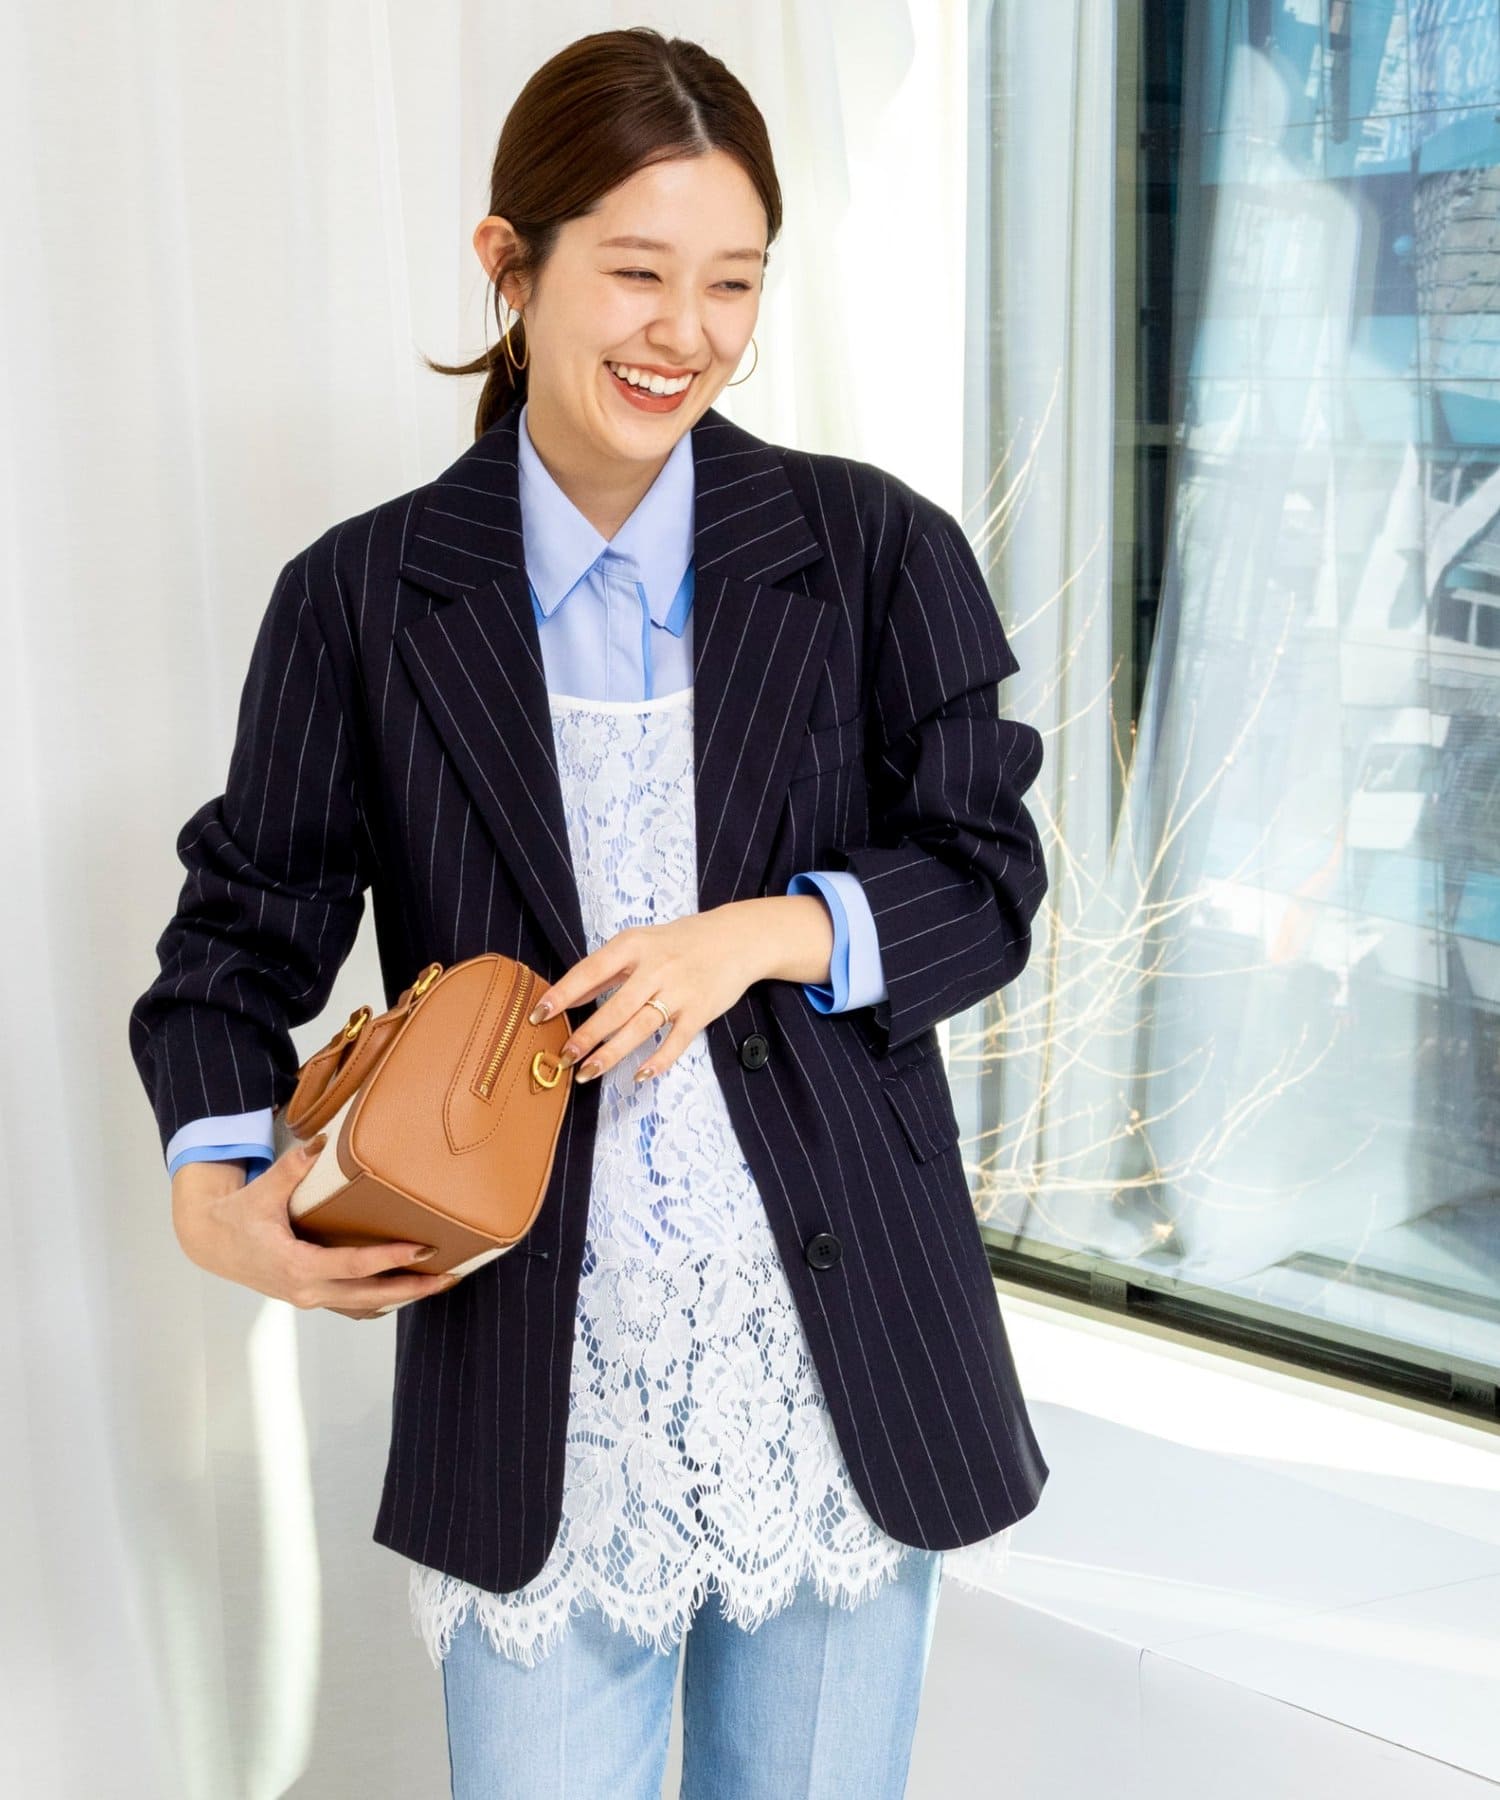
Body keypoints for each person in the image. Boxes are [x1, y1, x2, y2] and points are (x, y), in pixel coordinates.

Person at [128, 26, 1051, 1799]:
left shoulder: (874, 550)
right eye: (637, 270)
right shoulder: (363, 598)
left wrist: (756, 934)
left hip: (846, 1369)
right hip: (534, 1382)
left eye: (734, 281)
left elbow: (989, 875)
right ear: (511, 263)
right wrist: (216, 1199)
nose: (684, 331)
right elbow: (234, 943)